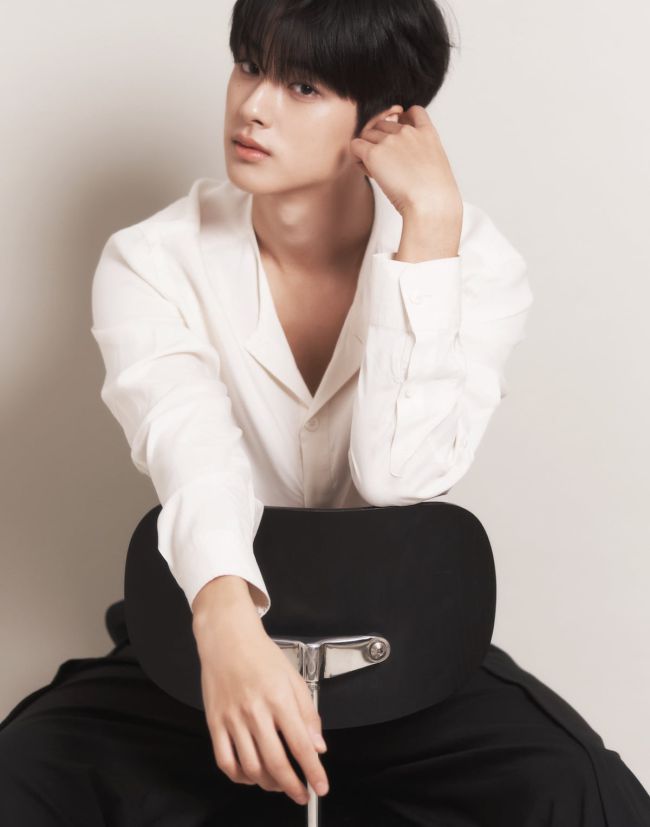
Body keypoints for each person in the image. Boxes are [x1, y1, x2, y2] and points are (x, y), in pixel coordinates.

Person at [2, 0, 649, 824]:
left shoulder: (475, 263)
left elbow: (399, 477)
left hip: (406, 646)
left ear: (385, 122)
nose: (253, 105)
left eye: (302, 86)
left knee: (585, 790)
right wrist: (226, 623)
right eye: (249, 65)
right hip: (205, 635)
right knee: (22, 772)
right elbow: (190, 448)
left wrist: (429, 234)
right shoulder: (153, 259)